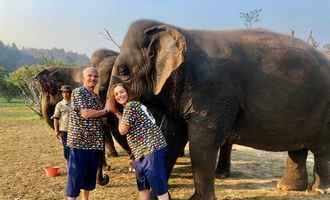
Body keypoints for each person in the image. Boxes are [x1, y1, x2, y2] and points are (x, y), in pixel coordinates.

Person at [106, 83, 170, 200]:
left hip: (151, 149)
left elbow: (122, 130)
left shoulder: (131, 106)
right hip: (141, 153)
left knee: (159, 189)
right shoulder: (134, 106)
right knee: (143, 187)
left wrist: (115, 112)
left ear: (128, 92)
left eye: (122, 92)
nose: (119, 95)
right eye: (116, 94)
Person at [66, 67, 109, 200]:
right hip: (80, 143)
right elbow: (86, 114)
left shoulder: (96, 97)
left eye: (95, 76)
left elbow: (101, 117)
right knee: (76, 177)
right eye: (90, 75)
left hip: (94, 144)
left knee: (89, 179)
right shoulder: (79, 92)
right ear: (83, 78)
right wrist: (106, 111)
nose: (93, 78)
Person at [51, 85, 72, 163]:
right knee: (66, 149)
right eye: (63, 92)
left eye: (67, 92)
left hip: (75, 130)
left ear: (70, 93)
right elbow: (56, 118)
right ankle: (69, 166)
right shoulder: (59, 105)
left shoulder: (75, 103)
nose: (65, 94)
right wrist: (56, 131)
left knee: (76, 150)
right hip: (64, 130)